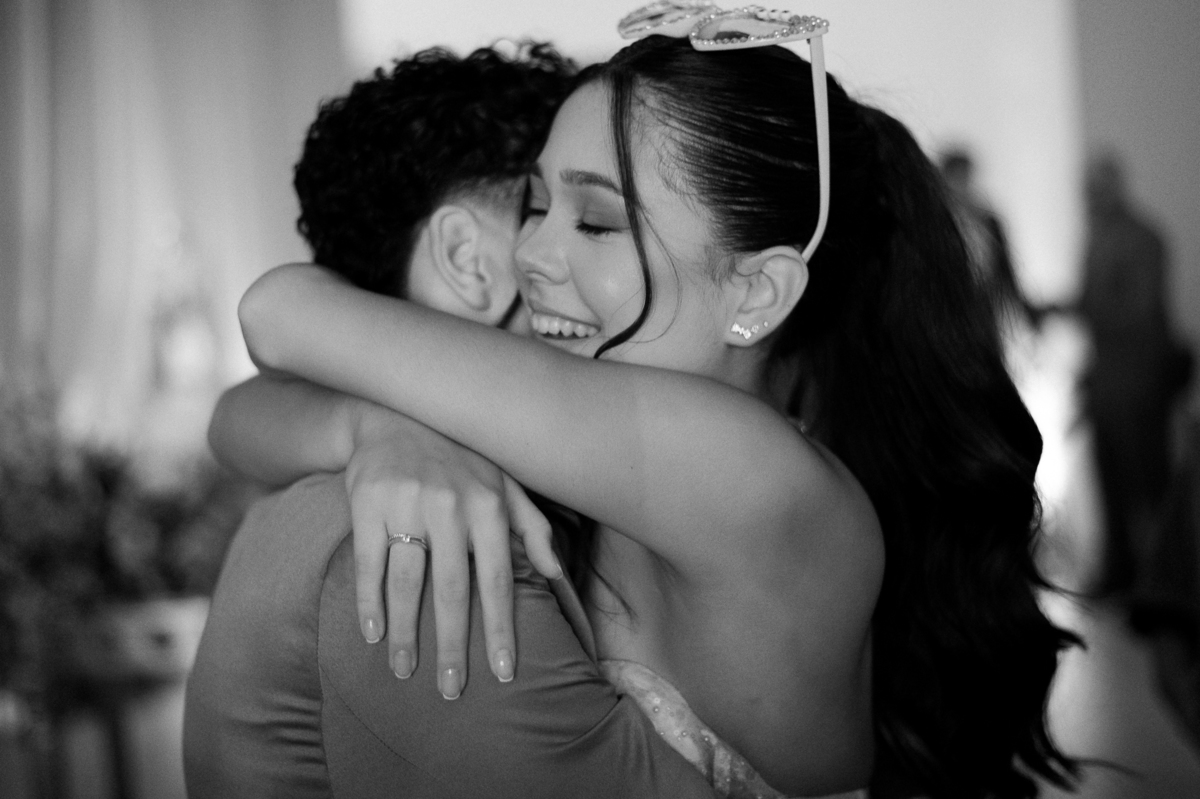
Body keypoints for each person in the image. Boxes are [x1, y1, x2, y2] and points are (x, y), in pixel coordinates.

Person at [231, 14, 1080, 798]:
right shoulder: (609, 454)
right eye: (537, 203)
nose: (531, 252)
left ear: (756, 290)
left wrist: (379, 424)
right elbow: (238, 418)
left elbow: (279, 312)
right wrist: (375, 428)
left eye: (597, 223)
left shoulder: (748, 471)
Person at [184, 43, 718, 799]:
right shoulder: (428, 531)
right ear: (466, 257)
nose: (570, 256)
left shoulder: (406, 465)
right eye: (545, 211)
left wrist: (373, 424)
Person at [1077, 153, 1192, 595]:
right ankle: (1123, 575)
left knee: (1148, 484)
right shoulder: (1100, 237)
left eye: (1095, 188)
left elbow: (1139, 312)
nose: (1089, 197)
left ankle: (1164, 585)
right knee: (1112, 485)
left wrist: (1087, 311)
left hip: (1138, 384)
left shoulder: (1143, 238)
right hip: (1109, 384)